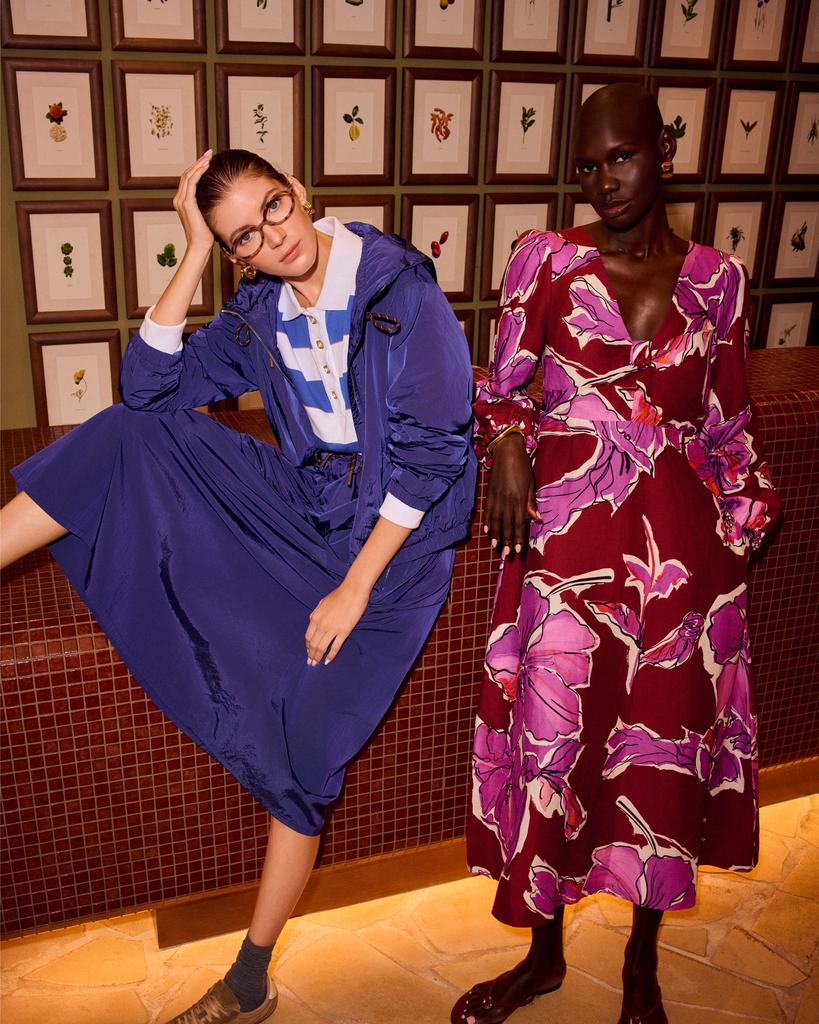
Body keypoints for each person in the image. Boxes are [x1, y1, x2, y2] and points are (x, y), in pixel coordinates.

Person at [0, 148, 476, 1024]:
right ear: (235, 254)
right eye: (243, 238)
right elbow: (147, 391)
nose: (273, 239)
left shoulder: (397, 287)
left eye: (274, 208)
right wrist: (191, 250)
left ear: (299, 190)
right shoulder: (258, 310)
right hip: (307, 509)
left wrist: (354, 589)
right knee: (128, 434)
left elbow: (434, 453)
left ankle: (249, 978)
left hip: (396, 553)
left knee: (306, 752)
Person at [452, 84, 780, 1024]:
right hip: (563, 546)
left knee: (657, 757)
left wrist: (739, 530)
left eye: (621, 158)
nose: (604, 181)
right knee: (550, 744)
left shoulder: (718, 280)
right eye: (587, 166)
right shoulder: (545, 260)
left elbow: (725, 423)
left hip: (680, 555)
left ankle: (640, 961)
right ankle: (542, 957)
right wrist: (507, 446)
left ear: (663, 151)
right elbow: (504, 387)